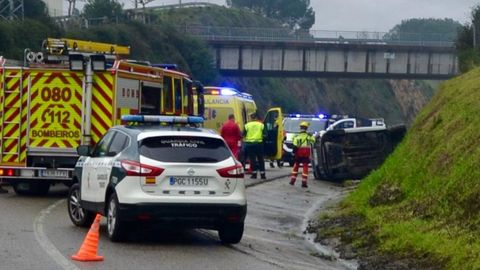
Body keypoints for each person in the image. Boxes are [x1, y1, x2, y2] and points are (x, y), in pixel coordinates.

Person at [290, 121, 315, 188]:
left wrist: (293, 153)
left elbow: (294, 145)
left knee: (296, 166)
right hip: (306, 153)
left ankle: (292, 180)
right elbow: (313, 142)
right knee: (305, 167)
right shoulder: (309, 136)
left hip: (298, 153)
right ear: (306, 128)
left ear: (300, 128)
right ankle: (304, 181)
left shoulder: (296, 136)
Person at [243, 112, 266, 179]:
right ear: (256, 118)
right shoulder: (261, 125)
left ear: (250, 118)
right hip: (259, 144)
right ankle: (262, 174)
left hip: (250, 144)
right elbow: (265, 135)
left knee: (252, 160)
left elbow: (243, 134)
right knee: (260, 159)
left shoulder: (247, 125)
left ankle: (254, 174)